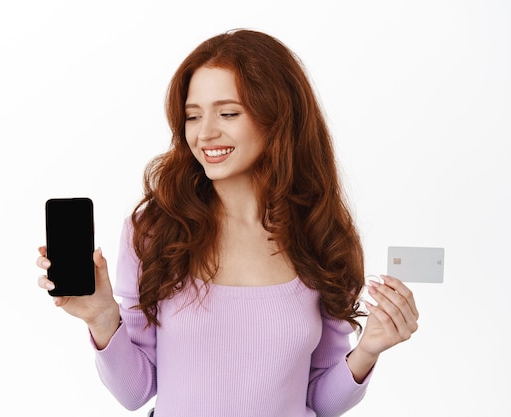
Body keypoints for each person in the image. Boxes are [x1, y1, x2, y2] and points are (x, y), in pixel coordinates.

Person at [37, 29, 419, 416]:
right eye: (192, 116)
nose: (205, 133)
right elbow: (135, 391)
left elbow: (321, 400)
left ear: (277, 118)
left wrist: (369, 348)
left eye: (228, 113)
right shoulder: (154, 231)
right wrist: (103, 317)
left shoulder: (323, 236)